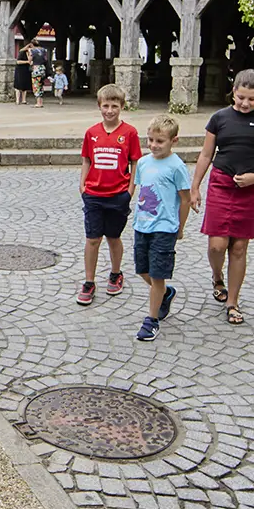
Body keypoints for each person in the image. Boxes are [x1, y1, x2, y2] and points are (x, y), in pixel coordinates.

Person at [192, 70, 254, 326]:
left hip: (251, 188)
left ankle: (232, 302)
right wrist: (195, 186)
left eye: (251, 99)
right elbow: (206, 155)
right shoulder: (219, 118)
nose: (245, 103)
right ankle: (217, 276)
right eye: (241, 97)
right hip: (221, 183)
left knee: (239, 247)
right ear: (233, 91)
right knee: (217, 245)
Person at [76, 84, 142, 305]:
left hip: (118, 194)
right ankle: (89, 281)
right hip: (94, 193)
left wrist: (130, 190)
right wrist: (83, 185)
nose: (110, 110)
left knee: (114, 237)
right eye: (106, 106)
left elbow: (135, 162)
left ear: (122, 106)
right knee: (92, 238)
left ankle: (115, 273)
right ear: (99, 106)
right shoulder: (92, 133)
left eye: (114, 106)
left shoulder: (130, 133)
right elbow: (86, 159)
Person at [131, 116, 193, 342]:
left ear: (173, 141)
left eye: (160, 141)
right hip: (142, 225)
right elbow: (143, 191)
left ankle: (152, 320)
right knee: (143, 270)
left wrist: (180, 227)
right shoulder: (143, 163)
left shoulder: (177, 167)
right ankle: (166, 293)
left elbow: (185, 199)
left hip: (165, 228)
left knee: (157, 275)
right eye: (150, 140)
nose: (154, 145)